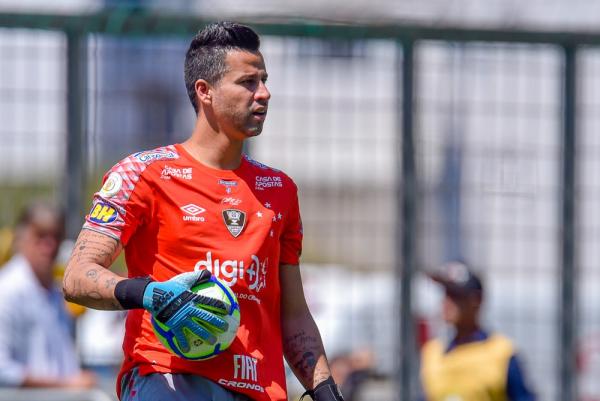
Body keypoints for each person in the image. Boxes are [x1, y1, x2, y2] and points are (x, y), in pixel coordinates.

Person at [62, 21, 345, 401]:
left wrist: (325, 390)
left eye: (264, 80)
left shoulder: (280, 191)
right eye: (248, 82)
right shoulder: (142, 173)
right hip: (167, 379)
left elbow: (293, 313)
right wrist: (152, 295)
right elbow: (78, 276)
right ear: (205, 91)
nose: (264, 93)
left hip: (258, 389)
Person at [0, 201, 96, 388]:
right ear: (21, 238)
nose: (49, 246)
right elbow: (3, 370)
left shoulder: (54, 291)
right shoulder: (7, 290)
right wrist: (65, 384)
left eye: (56, 237)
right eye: (40, 236)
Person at [420, 261, 536, 401]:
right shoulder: (432, 353)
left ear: (477, 300)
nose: (447, 302)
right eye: (446, 294)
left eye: (455, 295)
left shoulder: (502, 353)